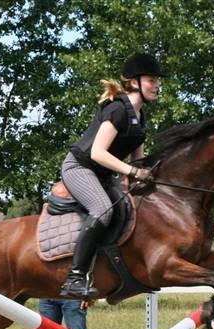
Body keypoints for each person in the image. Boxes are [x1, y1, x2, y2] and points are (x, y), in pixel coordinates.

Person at [59, 53, 166, 299]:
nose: (157, 85)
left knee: (133, 207)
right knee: (103, 209)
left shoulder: (140, 116)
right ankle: (74, 277)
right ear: (134, 82)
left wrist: (146, 173)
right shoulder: (118, 109)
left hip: (103, 175)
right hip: (79, 167)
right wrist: (133, 171)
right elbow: (97, 152)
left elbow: (137, 159)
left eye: (156, 81)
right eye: (152, 80)